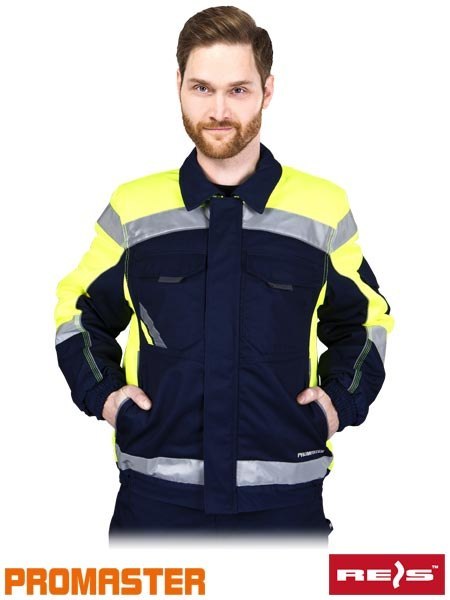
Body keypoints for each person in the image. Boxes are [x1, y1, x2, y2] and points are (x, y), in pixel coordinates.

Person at [54, 6, 394, 539]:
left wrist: (337, 406)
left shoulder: (322, 209)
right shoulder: (134, 208)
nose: (218, 110)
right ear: (179, 87)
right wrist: (108, 398)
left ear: (267, 90)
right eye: (202, 88)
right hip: (156, 503)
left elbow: (366, 320)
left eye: (238, 90)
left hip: (283, 505)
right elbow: (78, 312)